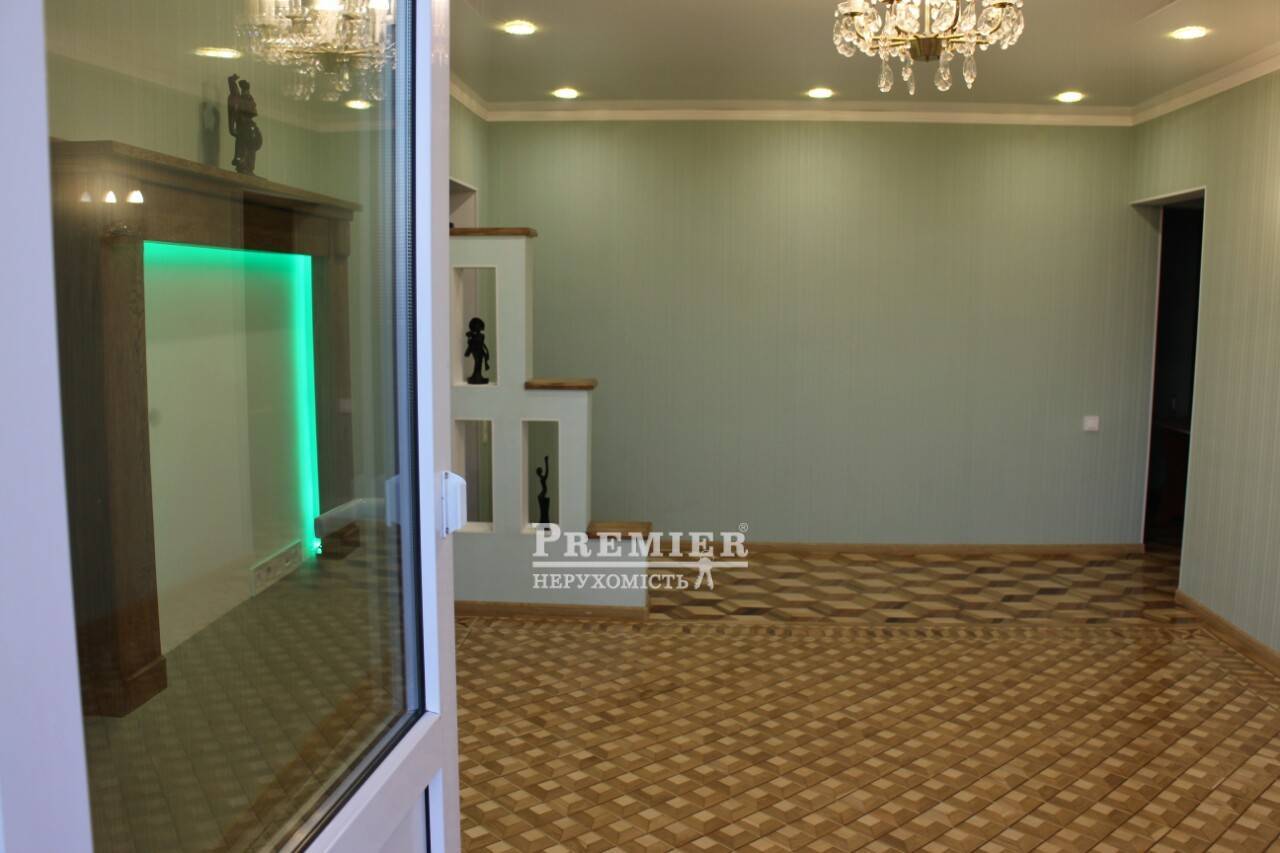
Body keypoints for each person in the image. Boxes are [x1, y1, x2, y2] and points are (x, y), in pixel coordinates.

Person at [227, 74, 263, 175]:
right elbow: (234, 95)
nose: (246, 92)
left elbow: (252, 110)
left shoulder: (249, 99)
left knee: (251, 150)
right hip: (243, 128)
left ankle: (249, 168)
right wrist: (232, 81)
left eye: (247, 90)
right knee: (243, 149)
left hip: (249, 128)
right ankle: (243, 166)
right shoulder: (239, 99)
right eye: (245, 90)